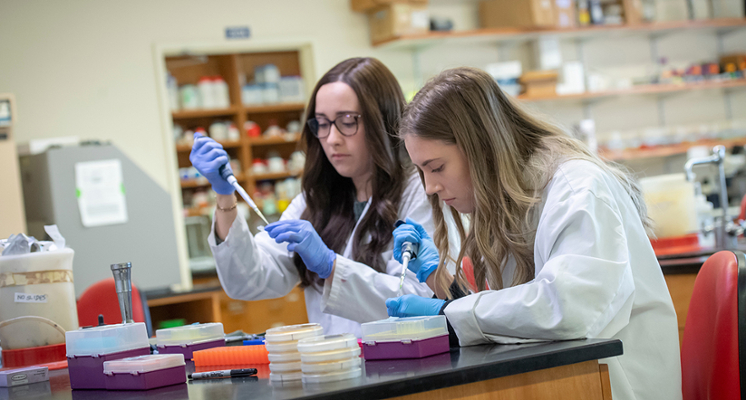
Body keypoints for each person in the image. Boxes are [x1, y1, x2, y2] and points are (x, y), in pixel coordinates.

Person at [385, 67, 681, 400]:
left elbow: (565, 311)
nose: (431, 186)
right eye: (421, 170)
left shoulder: (576, 188)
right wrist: (443, 284)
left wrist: (447, 315)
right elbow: (519, 319)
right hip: (566, 380)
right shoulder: (509, 199)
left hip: (616, 385)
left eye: (437, 167)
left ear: (483, 146)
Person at [189, 57, 434, 336]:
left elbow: (416, 301)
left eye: (347, 121)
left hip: (404, 365)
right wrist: (224, 195)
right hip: (336, 368)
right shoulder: (314, 202)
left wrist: (331, 267)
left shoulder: (420, 194)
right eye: (322, 124)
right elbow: (249, 280)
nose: (332, 139)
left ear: (384, 120)